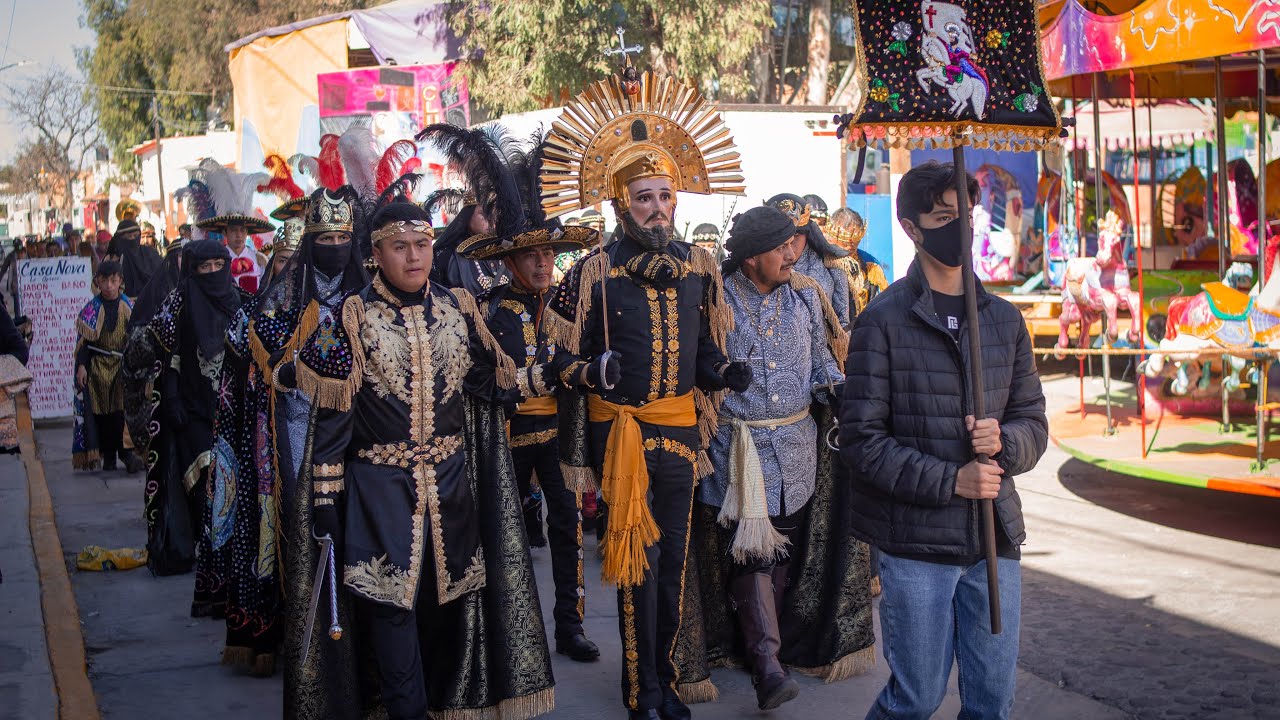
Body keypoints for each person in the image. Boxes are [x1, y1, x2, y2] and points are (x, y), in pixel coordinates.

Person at [281, 199, 555, 720]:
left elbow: (486, 385)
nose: (414, 257)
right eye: (399, 247)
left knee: (444, 615)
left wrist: (555, 376)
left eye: (423, 245)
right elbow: (335, 417)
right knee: (390, 614)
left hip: (452, 493)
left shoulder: (458, 308)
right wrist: (324, 501)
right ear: (376, 255)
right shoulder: (354, 316)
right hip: (379, 496)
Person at [540, 62, 752, 719]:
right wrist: (591, 373)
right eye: (643, 198)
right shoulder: (594, 273)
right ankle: (642, 691)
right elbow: (555, 363)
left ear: (676, 201)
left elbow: (706, 356)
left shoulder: (699, 268)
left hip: (681, 436)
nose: (656, 209)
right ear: (618, 204)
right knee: (638, 566)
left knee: (674, 566)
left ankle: (668, 681)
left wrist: (725, 374)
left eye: (664, 196)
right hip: (623, 439)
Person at [839, 161, 1048, 720]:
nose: (959, 227)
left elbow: (1034, 421)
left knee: (992, 702)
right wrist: (951, 478)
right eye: (942, 216)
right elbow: (861, 441)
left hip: (994, 539)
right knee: (917, 698)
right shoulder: (881, 322)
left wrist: (1004, 442)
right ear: (911, 226)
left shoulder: (1004, 320)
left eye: (966, 215)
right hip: (915, 546)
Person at [680, 205, 874, 709]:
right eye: (782, 247)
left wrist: (837, 389)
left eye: (795, 244)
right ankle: (767, 667)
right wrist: (719, 374)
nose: (794, 254)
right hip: (736, 449)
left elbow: (821, 363)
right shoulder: (715, 300)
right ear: (749, 259)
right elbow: (695, 362)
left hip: (796, 449)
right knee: (752, 551)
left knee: (782, 549)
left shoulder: (807, 299)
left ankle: (763, 647)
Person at [456, 134, 601, 663]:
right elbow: (490, 379)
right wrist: (547, 375)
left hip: (558, 440)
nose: (542, 264)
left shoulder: (565, 307)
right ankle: (509, 633)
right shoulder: (493, 312)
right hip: (510, 440)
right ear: (509, 261)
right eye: (531, 255)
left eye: (548, 254)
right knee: (504, 538)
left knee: (568, 529)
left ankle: (571, 628)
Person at [136, 239, 245, 576]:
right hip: (192, 408)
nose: (212, 273)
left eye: (217, 265)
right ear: (192, 270)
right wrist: (171, 398)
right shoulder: (178, 302)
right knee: (201, 483)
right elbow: (168, 355)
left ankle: (225, 556)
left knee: (235, 485)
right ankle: (205, 547)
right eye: (203, 267)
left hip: (234, 409)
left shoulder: (240, 300)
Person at [72, 261, 143, 473]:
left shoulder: (128, 307)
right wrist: (82, 366)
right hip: (98, 369)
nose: (109, 286)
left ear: (120, 282)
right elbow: (83, 343)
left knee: (121, 412)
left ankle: (127, 453)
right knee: (102, 413)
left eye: (114, 281)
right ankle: (109, 455)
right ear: (98, 283)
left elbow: (137, 339)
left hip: (122, 366)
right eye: (105, 281)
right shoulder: (91, 309)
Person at [765, 193, 851, 329]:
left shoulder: (832, 267)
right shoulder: (752, 269)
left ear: (808, 234)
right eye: (779, 239)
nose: (788, 248)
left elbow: (843, 328)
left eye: (795, 236)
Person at [827, 207, 890, 321]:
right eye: (844, 244)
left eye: (854, 245)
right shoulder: (818, 260)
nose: (849, 248)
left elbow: (882, 305)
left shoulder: (870, 265)